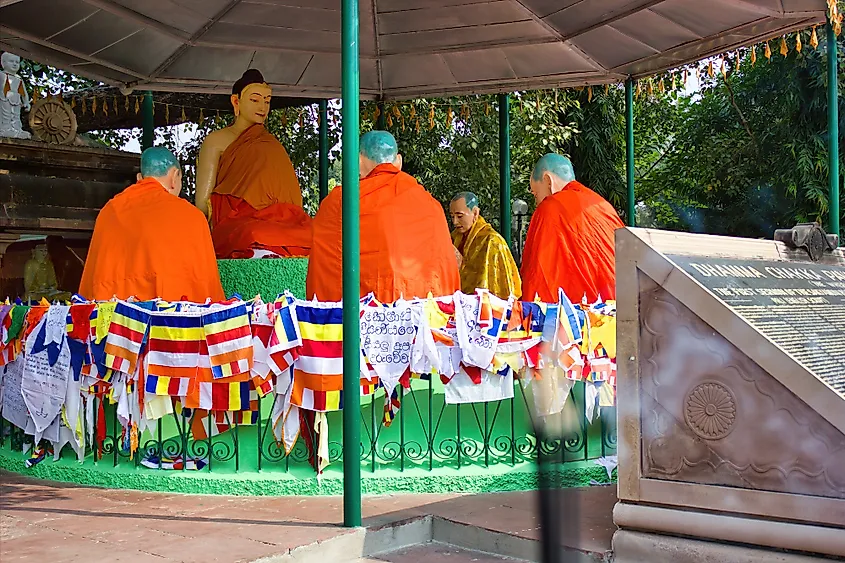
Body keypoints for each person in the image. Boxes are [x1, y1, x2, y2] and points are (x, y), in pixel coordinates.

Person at [307, 131, 460, 302]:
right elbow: (444, 269)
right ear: (399, 161)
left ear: (358, 160)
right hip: (421, 316)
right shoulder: (431, 205)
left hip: (363, 317)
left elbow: (327, 269)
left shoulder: (341, 202)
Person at [79, 147, 225, 302]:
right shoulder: (192, 216)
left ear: (139, 177)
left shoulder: (110, 211)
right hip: (172, 320)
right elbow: (206, 285)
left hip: (116, 318)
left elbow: (94, 279)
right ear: (175, 177)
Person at [195, 68, 311, 259]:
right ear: (236, 101)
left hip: (278, 220)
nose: (263, 107)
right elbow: (203, 201)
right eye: (255, 100)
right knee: (253, 233)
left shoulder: (271, 144)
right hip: (238, 219)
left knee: (312, 234)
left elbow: (292, 201)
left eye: (267, 101)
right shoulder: (217, 140)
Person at [521, 154, 624, 304]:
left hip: (580, 315)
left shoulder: (550, 208)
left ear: (548, 180)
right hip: (619, 306)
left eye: (535, 194)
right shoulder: (603, 206)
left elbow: (536, 275)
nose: (536, 202)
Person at [449, 191, 521, 299]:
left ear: (475, 213)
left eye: (459, 216)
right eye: (452, 216)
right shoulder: (454, 237)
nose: (455, 222)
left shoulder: (491, 240)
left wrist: (461, 265)